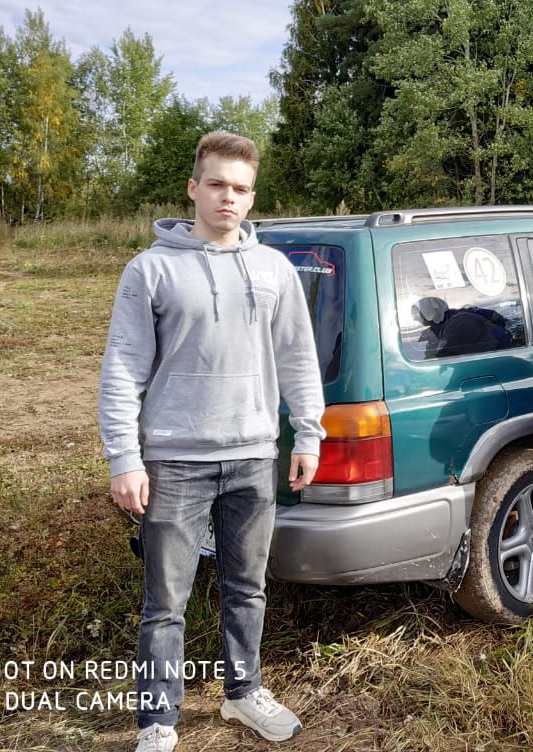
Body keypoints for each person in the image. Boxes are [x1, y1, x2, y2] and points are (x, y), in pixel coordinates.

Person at [98, 132, 325, 752]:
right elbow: (122, 368)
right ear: (194, 188)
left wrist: (307, 431)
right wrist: (124, 456)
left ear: (253, 198)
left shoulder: (274, 268)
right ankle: (157, 722)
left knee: (246, 588)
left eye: (242, 188)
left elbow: (299, 358)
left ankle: (242, 694)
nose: (229, 197)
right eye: (218, 184)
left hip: (254, 455)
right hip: (173, 460)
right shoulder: (150, 269)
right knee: (164, 602)